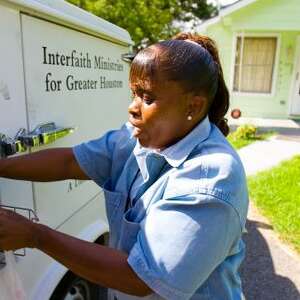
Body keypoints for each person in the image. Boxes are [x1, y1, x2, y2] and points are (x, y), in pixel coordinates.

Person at [0, 32, 248, 300]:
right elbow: (69, 161)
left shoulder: (211, 180)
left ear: (194, 106)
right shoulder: (134, 140)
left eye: (147, 97)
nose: (132, 108)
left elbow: (142, 278)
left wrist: (36, 236)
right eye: (133, 94)